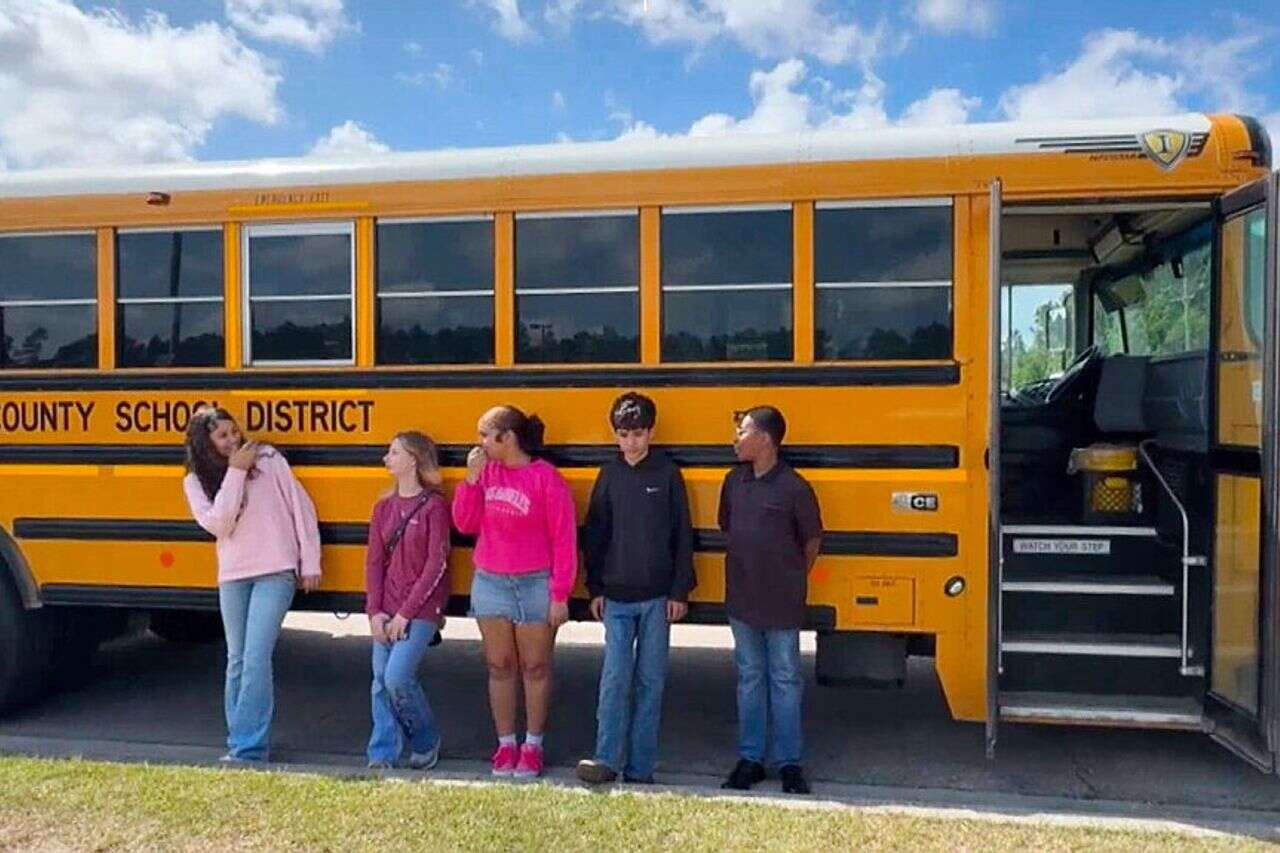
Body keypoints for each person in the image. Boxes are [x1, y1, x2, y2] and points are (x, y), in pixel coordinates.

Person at [181, 406, 321, 763]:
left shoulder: (269, 458)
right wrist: (235, 473)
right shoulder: (195, 480)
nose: (233, 440)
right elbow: (219, 524)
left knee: (257, 658)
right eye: (222, 436)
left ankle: (249, 748)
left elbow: (299, 506)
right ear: (205, 444)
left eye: (233, 432)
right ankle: (239, 739)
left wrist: (310, 561)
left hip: (276, 570)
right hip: (233, 574)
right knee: (237, 660)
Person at [451, 405, 577, 779]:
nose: (480, 444)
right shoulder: (485, 474)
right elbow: (464, 522)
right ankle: (505, 744)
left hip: (535, 581)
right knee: (499, 665)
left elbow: (564, 539)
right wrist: (470, 482)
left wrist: (560, 594)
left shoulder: (545, 478)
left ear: (508, 438)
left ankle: (533, 745)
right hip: (491, 580)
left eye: (485, 436)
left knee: (535, 667)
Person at [576, 392, 695, 785]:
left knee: (651, 681)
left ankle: (641, 768)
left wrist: (679, 591)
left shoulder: (667, 474)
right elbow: (595, 535)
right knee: (614, 679)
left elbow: (682, 536)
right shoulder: (609, 475)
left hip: (658, 598)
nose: (632, 442)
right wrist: (595, 588)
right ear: (615, 435)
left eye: (639, 433)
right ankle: (606, 758)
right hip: (616, 598)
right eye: (624, 434)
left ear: (651, 432)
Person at [717, 405, 823, 795]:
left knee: (785, 680)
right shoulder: (734, 482)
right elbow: (727, 524)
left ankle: (790, 763)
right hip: (742, 599)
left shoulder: (794, 487)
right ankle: (751, 759)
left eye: (742, 432)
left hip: (782, 602)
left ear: (765, 439)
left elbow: (811, 540)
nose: (735, 439)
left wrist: (791, 575)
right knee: (749, 679)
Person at [364, 431, 450, 770]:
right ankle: (381, 753)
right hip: (387, 605)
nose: (387, 458)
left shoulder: (434, 506)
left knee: (397, 677)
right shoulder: (383, 508)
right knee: (380, 680)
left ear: (413, 460)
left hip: (421, 609)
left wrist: (405, 614)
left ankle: (426, 739)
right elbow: (373, 562)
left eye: (394, 452)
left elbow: (435, 564)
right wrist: (374, 611)